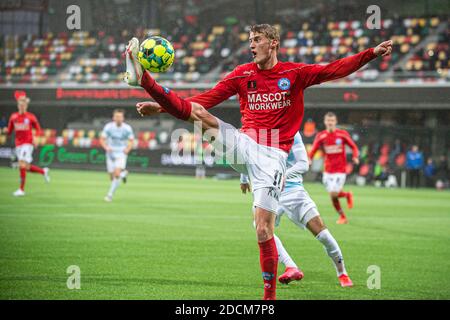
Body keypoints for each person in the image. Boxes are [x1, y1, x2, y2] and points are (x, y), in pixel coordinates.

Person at [127, 24, 392, 299]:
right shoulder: (242, 74)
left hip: (272, 158)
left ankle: (269, 298)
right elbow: (205, 100)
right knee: (201, 115)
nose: (252, 45)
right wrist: (161, 106)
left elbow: (335, 68)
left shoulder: (294, 73)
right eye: (250, 40)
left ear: (273, 42)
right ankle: (144, 80)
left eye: (257, 40)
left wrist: (371, 53)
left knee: (263, 228)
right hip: (244, 143)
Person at [240, 132, 353, 287]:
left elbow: (303, 164)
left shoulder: (292, 131)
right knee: (260, 228)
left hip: (294, 191)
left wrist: (283, 175)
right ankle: (291, 266)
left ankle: (342, 273)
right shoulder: (260, 128)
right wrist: (244, 178)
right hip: (269, 192)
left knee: (323, 235)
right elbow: (249, 155)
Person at [308, 112, 359, 224]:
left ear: (335, 122)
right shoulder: (321, 136)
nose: (330, 123)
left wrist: (355, 156)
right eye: (328, 121)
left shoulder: (342, 134)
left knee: (333, 194)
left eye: (332, 121)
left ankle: (343, 214)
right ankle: (345, 203)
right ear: (325, 122)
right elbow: (314, 149)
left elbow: (353, 146)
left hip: (340, 170)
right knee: (333, 196)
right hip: (328, 170)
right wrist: (309, 159)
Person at [7, 90, 50, 196]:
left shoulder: (31, 117)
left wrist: (35, 138)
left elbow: (39, 130)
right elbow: (9, 131)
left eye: (24, 104)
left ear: (26, 106)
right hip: (18, 145)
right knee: (25, 167)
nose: (22, 106)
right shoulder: (13, 117)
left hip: (28, 143)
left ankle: (21, 190)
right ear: (18, 105)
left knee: (21, 163)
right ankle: (43, 171)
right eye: (20, 104)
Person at [100, 109, 135, 202]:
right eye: (116, 116)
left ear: (123, 118)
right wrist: (106, 147)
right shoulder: (108, 127)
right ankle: (123, 174)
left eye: (120, 117)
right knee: (111, 176)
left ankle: (109, 195)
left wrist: (127, 149)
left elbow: (131, 141)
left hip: (121, 153)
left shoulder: (127, 128)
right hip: (110, 153)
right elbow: (102, 139)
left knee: (116, 174)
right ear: (113, 118)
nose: (118, 118)